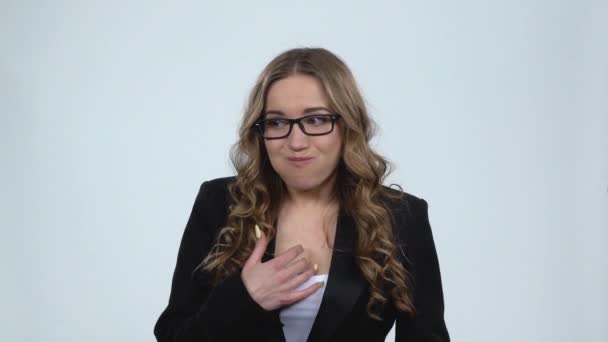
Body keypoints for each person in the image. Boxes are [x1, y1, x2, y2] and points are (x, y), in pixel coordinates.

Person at [154, 47, 450, 342]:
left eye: (316, 120)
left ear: (347, 125)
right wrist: (244, 295)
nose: (296, 142)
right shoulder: (219, 202)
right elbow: (173, 335)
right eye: (277, 122)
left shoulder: (400, 216)